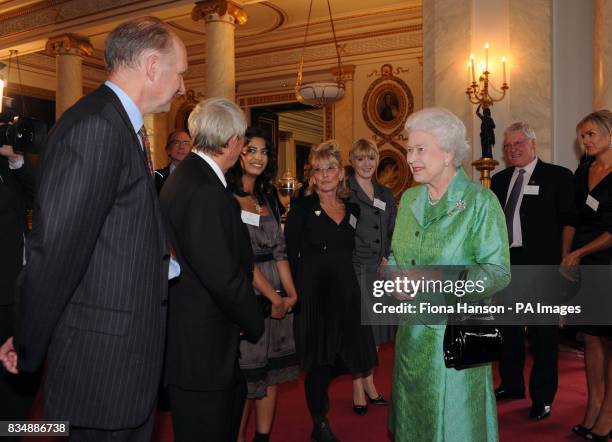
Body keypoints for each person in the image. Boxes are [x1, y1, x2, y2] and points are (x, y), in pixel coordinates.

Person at [0, 16, 186, 441]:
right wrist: (28, 343)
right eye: (180, 73)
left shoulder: (120, 126)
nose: (180, 87)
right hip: (103, 367)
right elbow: (56, 251)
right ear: (153, 67)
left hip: (123, 362)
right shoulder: (97, 127)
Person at [388, 107, 510, 442]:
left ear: (449, 153)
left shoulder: (479, 202)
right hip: (411, 339)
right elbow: (397, 255)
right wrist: (393, 274)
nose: (411, 158)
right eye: (409, 149)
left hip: (454, 340)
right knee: (414, 423)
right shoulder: (410, 199)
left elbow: (497, 272)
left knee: (454, 427)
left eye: (420, 149)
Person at [159, 98, 264, 442]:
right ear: (233, 142)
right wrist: (254, 318)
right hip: (202, 347)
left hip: (194, 337)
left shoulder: (187, 175)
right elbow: (221, 274)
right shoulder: (204, 188)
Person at [285, 141, 377, 442]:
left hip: (346, 292)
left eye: (330, 168)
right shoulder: (301, 208)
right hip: (314, 295)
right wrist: (294, 293)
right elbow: (288, 253)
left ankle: (321, 409)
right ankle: (319, 421)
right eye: (318, 169)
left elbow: (355, 250)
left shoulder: (352, 210)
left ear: (341, 174)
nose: (324, 175)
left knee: (351, 356)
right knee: (318, 362)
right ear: (311, 176)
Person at [490, 122, 578, 420]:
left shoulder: (558, 176)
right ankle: (512, 384)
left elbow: (569, 220)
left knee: (542, 335)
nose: (513, 149)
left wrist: (566, 258)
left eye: (518, 144)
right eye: (508, 146)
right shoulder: (500, 180)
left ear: (532, 145)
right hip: (508, 265)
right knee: (508, 331)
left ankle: (542, 397)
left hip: (543, 267)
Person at [226, 126, 299, 442]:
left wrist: (291, 292)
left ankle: (262, 438)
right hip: (249, 297)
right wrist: (274, 298)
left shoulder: (268, 198)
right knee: (248, 377)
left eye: (264, 151)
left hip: (278, 298)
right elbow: (242, 259)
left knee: (271, 374)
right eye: (250, 149)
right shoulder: (226, 198)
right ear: (237, 153)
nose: (258, 157)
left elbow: (279, 250)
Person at [561, 110, 612, 441]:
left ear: (609, 133)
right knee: (591, 338)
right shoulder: (582, 172)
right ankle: (593, 406)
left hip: (608, 261)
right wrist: (566, 257)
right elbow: (571, 218)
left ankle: (608, 414)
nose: (585, 140)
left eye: (591, 134)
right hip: (584, 264)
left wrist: (579, 253)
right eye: (582, 136)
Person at [346, 139, 397, 416]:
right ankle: (357, 385)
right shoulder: (346, 192)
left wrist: (388, 256)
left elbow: (392, 229)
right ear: (352, 161)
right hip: (355, 268)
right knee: (361, 331)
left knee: (376, 332)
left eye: (372, 159)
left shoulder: (385, 193)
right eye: (361, 159)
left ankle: (369, 382)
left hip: (380, 269)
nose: (367, 164)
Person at [0, 145, 39, 440]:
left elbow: (38, 196)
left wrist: (16, 160)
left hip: (17, 291)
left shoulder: (6, 167)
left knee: (17, 376)